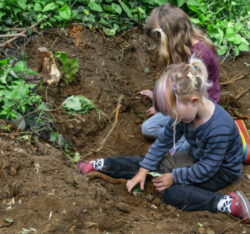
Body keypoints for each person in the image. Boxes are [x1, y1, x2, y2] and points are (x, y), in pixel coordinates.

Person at [77, 57, 250, 223]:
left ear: (194, 101)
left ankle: (225, 203)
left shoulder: (219, 128)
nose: (173, 118)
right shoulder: (184, 115)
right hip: (197, 157)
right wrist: (143, 171)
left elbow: (207, 168)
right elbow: (162, 142)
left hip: (220, 171)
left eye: (174, 113)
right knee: (152, 164)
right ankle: (102, 165)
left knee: (172, 193)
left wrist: (174, 177)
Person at [140, 3, 220, 154]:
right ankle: (181, 137)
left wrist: (164, 104)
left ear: (170, 39)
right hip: (182, 103)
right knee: (148, 128)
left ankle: (192, 138)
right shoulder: (185, 46)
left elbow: (188, 94)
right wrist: (159, 100)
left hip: (199, 108)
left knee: (175, 152)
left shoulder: (199, 57)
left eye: (159, 43)